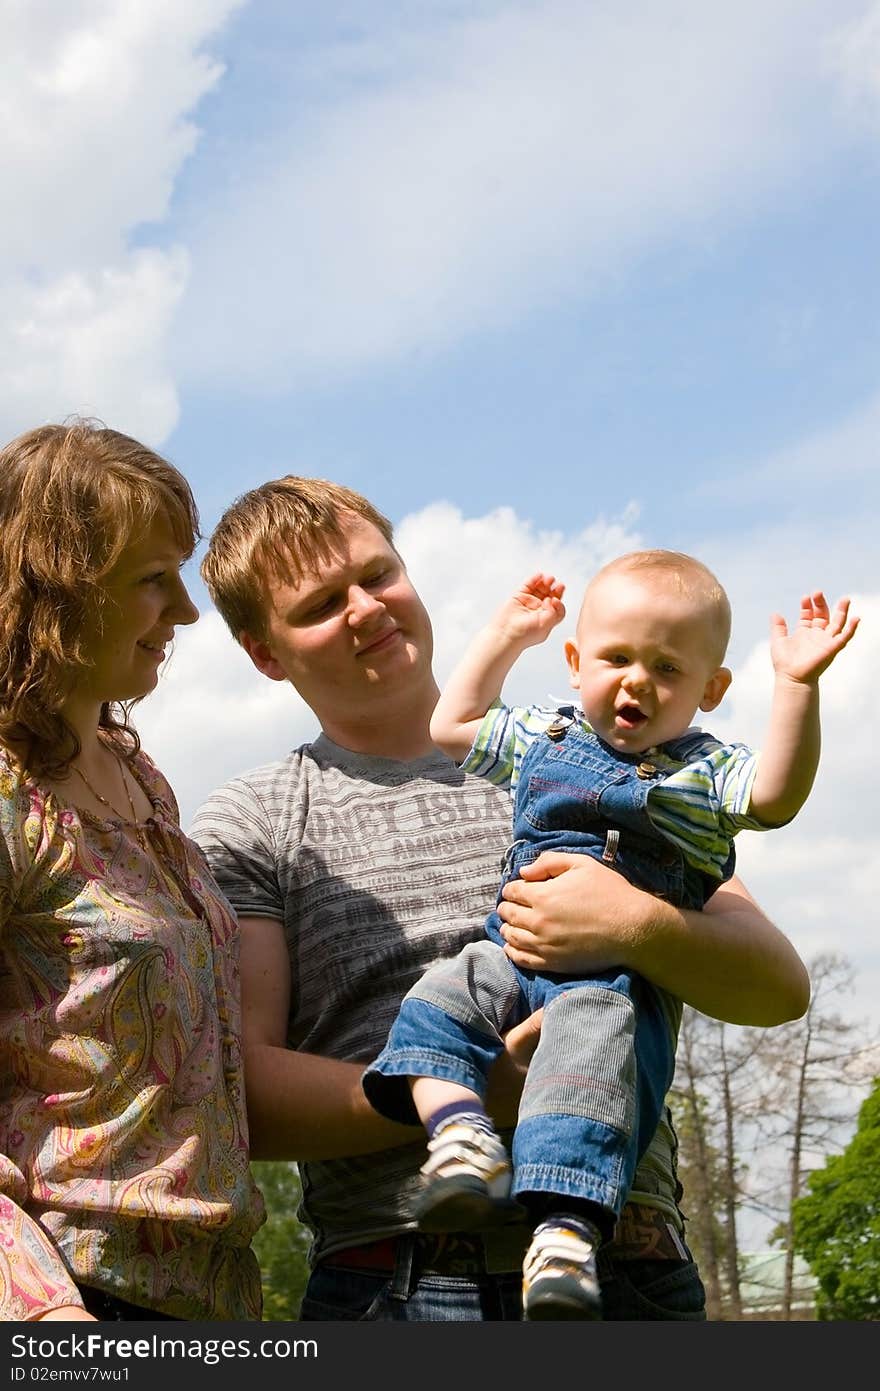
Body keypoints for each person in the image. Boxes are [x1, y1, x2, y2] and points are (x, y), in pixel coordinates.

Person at [191, 476, 811, 1323]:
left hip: (624, 1263)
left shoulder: (594, 756)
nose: (368, 609)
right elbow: (245, 1096)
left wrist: (638, 923)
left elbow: (777, 987)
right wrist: (476, 1093)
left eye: (379, 574)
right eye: (322, 604)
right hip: (398, 1273)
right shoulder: (253, 819)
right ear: (265, 651)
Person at [362, 555, 858, 1318]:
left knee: (590, 1050)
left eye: (667, 667)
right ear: (575, 663)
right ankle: (458, 1135)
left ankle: (564, 1233)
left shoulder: (703, 773)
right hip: (513, 945)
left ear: (711, 690)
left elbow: (776, 795)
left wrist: (798, 685)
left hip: (609, 978)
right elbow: (452, 724)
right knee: (441, 991)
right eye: (617, 658)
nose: (636, 681)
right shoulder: (545, 733)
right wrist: (505, 635)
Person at [0, 421, 265, 1322]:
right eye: (154, 580)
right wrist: (37, 1310)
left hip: (214, 1303)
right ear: (58, 590)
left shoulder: (141, 778)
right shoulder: (8, 795)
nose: (187, 613)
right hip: (70, 1302)